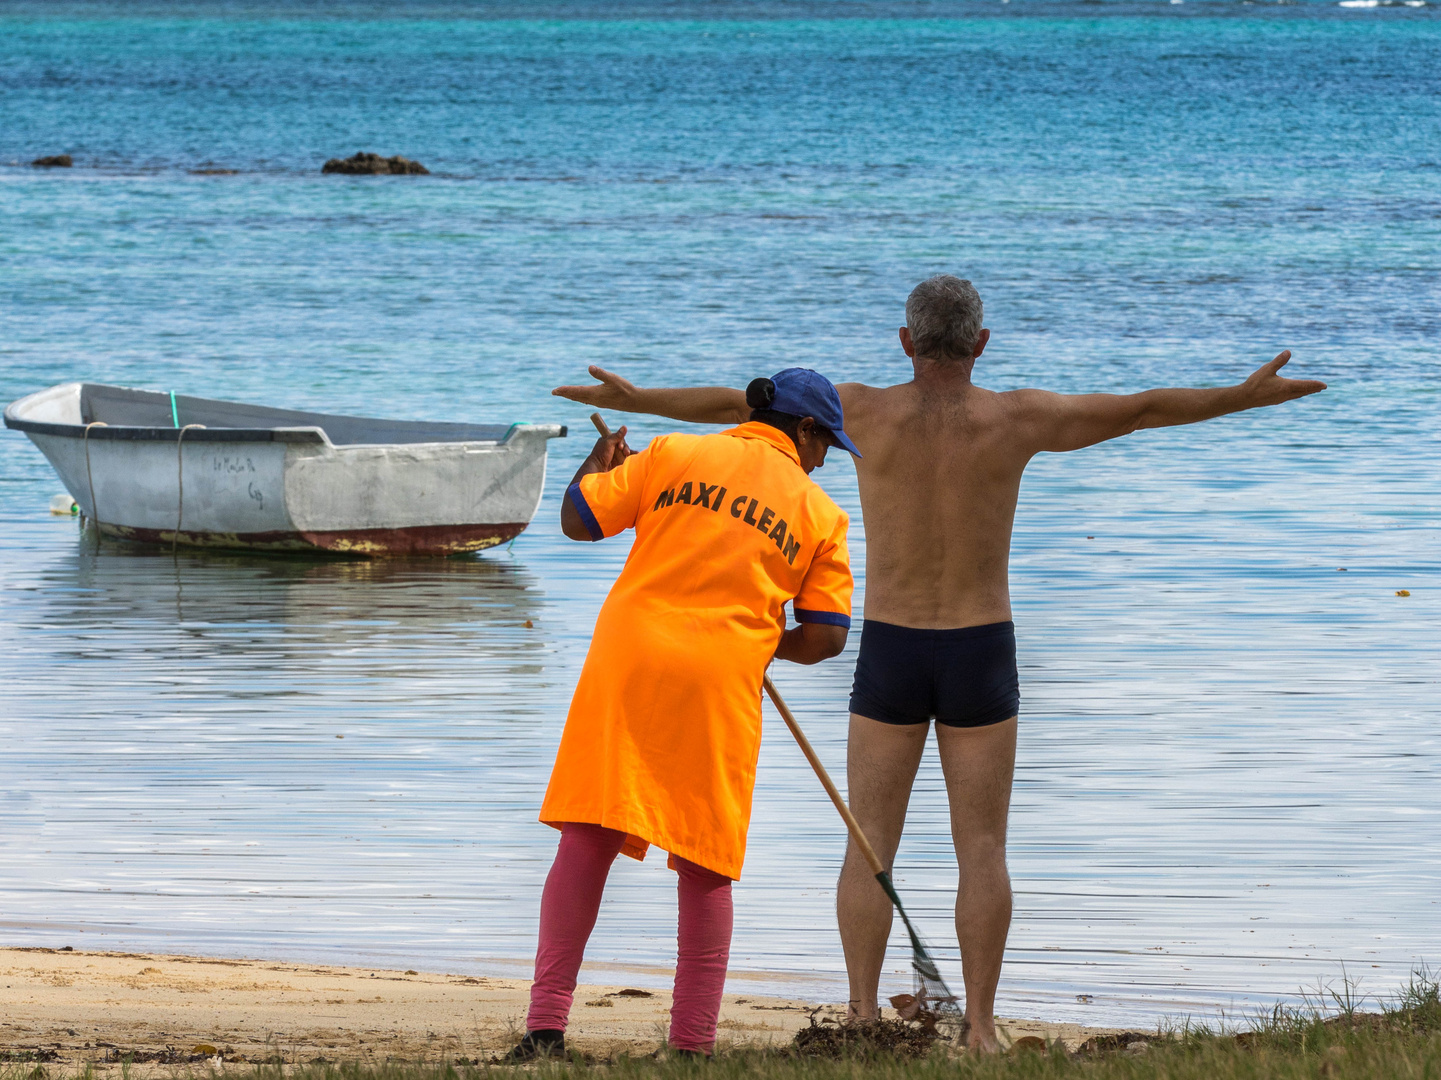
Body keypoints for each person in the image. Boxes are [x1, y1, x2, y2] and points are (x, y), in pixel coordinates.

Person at [551, 275, 1328, 1052]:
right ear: (981, 343)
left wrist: (641, 399)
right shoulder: (1018, 417)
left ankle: (859, 1015)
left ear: (905, 342)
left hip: (890, 646)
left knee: (871, 840)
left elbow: (739, 408)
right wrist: (1238, 396)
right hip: (978, 647)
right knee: (982, 846)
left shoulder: (859, 410)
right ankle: (981, 1030)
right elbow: (1140, 410)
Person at [511, 368, 860, 1061]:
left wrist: (599, 460)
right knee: (704, 860)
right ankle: (690, 1046)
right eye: (827, 446)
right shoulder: (821, 515)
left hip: (628, 656)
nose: (825, 462)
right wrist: (766, 646)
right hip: (720, 678)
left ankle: (544, 1031)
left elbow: (579, 520)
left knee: (588, 833)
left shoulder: (672, 454)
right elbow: (826, 636)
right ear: (808, 430)